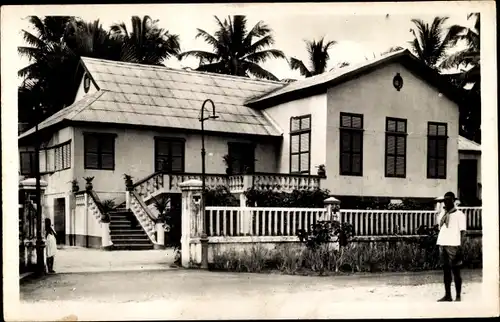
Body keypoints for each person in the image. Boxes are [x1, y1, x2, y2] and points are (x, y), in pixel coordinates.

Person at [436, 191, 466, 302]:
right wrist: (441, 211)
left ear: (454, 200)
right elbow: (440, 227)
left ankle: (458, 296)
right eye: (445, 200)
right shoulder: (443, 214)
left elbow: (463, 232)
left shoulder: (459, 214)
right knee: (446, 271)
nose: (446, 202)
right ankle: (447, 295)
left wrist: (460, 247)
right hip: (442, 244)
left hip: (454, 246)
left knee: (456, 271)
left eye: (449, 200)